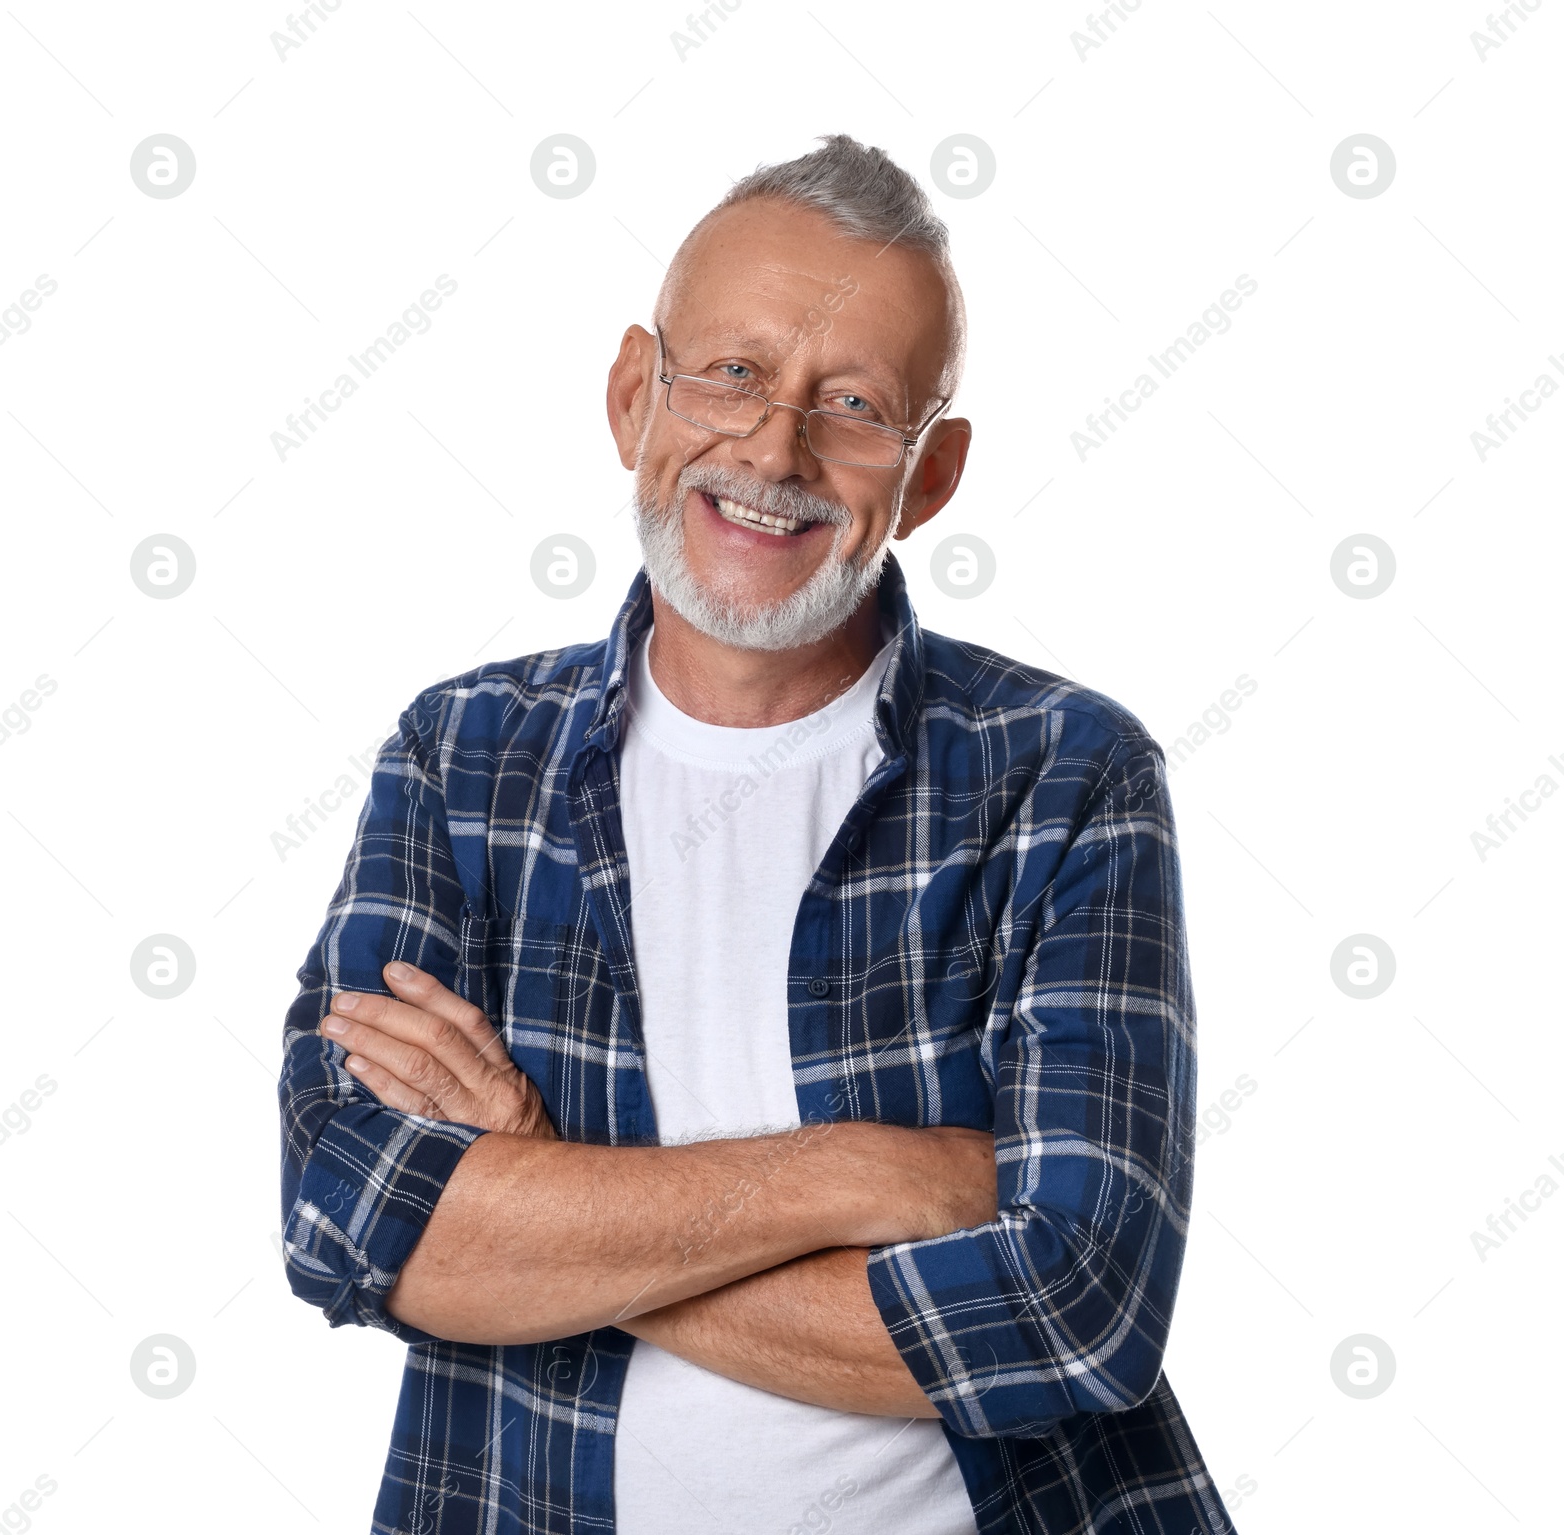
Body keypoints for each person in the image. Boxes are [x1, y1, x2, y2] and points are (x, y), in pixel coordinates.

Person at [278, 132, 1236, 1535]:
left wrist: (540, 1194)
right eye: (731, 374)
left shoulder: (1064, 776)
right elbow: (351, 1219)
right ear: (631, 396)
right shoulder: (462, 760)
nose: (774, 448)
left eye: (852, 405)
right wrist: (870, 1174)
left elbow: (1075, 1314)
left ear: (933, 471)